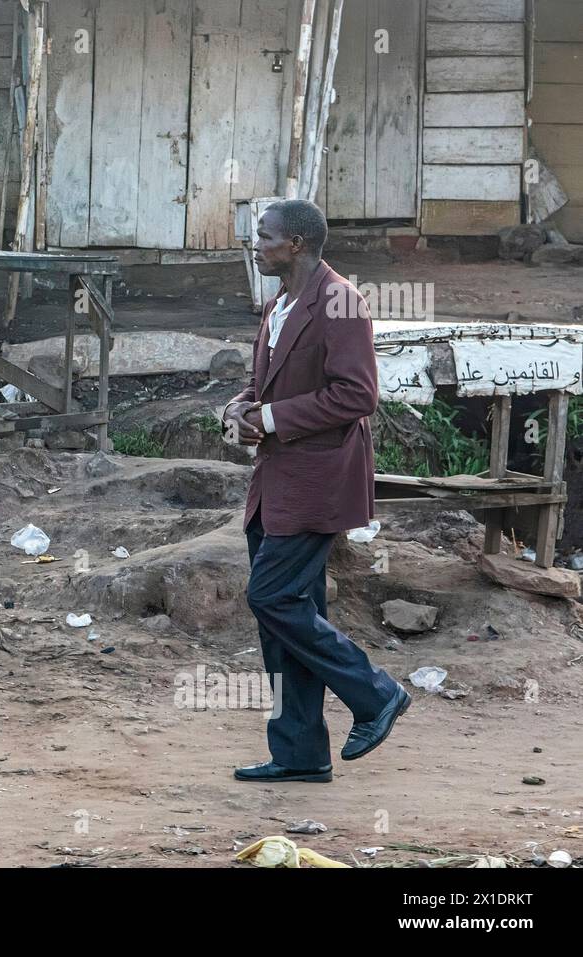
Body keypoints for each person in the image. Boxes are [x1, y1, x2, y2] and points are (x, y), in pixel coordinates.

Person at [223, 198, 409, 784]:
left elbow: (358, 396)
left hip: (317, 482)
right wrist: (239, 409)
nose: (257, 245)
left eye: (265, 237)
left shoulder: (340, 302)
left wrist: (273, 419)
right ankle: (300, 753)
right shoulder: (280, 303)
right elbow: (263, 384)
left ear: (297, 243)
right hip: (274, 482)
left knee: (271, 598)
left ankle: (376, 693)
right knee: (286, 618)